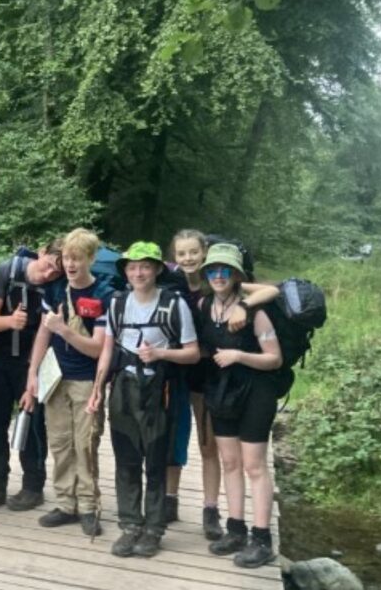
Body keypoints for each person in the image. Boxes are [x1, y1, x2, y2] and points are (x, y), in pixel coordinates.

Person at [87, 241, 199, 558]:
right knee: (126, 458)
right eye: (133, 267)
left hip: (160, 390)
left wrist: (160, 353)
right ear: (126, 271)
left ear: (157, 270)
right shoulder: (118, 304)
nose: (138, 273)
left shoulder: (174, 305)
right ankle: (130, 525)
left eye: (145, 267)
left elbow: (192, 353)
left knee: (157, 459)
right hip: (123, 387)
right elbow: (107, 349)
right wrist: (98, 388)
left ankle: (154, 528)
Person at [166, 230, 279, 540]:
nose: (188, 258)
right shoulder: (177, 284)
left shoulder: (231, 291)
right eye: (181, 253)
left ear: (204, 252)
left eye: (193, 252)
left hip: (223, 380)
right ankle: (174, 503)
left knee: (221, 452)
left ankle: (215, 512)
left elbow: (273, 290)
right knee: (183, 441)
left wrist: (245, 306)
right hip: (187, 373)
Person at [197, 243, 283, 568]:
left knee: (254, 466)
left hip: (256, 392)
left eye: (225, 270)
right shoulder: (205, 305)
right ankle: (235, 529)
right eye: (212, 270)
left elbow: (274, 359)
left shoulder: (256, 313)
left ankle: (262, 539)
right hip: (221, 392)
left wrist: (239, 356)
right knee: (230, 462)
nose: (218, 276)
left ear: (236, 275)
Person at [23, 229, 112, 536]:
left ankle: (88, 506)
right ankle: (65, 503)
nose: (71, 264)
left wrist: (63, 329)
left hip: (86, 380)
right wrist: (32, 374)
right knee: (60, 442)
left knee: (85, 445)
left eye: (78, 258)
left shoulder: (103, 294)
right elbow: (43, 333)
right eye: (66, 258)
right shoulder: (55, 291)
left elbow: (97, 348)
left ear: (91, 259)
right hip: (55, 378)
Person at [0, 239, 64, 512]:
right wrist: (9, 321)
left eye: (56, 272)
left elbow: (48, 331)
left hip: (32, 363)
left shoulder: (56, 286)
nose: (49, 274)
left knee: (33, 423)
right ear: (42, 252)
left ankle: (33, 487)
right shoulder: (7, 271)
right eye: (49, 265)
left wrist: (33, 373)